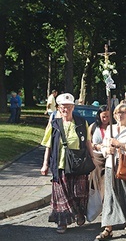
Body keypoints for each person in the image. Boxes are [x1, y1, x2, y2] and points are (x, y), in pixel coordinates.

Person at [40, 93, 94, 234]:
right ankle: (62, 222)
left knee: (78, 192)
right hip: (60, 164)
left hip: (78, 163)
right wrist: (45, 164)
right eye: (63, 107)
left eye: (69, 107)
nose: (66, 109)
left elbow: (88, 142)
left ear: (73, 107)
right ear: (58, 108)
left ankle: (78, 213)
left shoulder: (82, 122)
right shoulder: (54, 124)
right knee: (61, 194)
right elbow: (48, 145)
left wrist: (93, 159)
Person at [95, 103, 126, 240]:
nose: (120, 115)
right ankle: (107, 228)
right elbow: (104, 147)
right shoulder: (110, 129)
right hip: (112, 165)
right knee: (110, 196)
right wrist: (107, 150)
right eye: (117, 112)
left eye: (123, 112)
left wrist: (121, 145)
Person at [89, 105, 110, 200]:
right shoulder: (93, 126)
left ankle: (106, 205)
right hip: (97, 160)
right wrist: (95, 146)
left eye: (108, 116)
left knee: (107, 185)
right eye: (103, 117)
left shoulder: (114, 127)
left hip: (109, 159)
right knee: (97, 185)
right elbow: (88, 141)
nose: (105, 119)